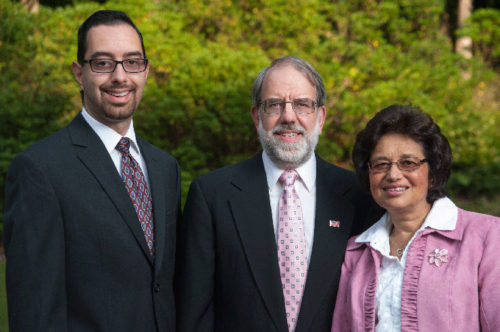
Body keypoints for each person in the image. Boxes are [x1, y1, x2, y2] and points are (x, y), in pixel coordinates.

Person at [3, 10, 180, 331]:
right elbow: (35, 308)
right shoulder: (39, 170)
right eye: (102, 63)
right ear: (78, 73)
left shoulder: (165, 167)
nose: (120, 76)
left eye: (132, 61)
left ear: (146, 70)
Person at [176, 56, 381, 332]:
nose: (288, 116)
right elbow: (194, 312)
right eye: (274, 105)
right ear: (256, 116)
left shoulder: (360, 195)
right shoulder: (212, 195)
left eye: (302, 104)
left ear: (320, 117)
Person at [331, 104, 500, 331]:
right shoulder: (357, 252)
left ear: (433, 170)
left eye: (408, 163)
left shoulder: (486, 237)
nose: (393, 174)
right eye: (381, 164)